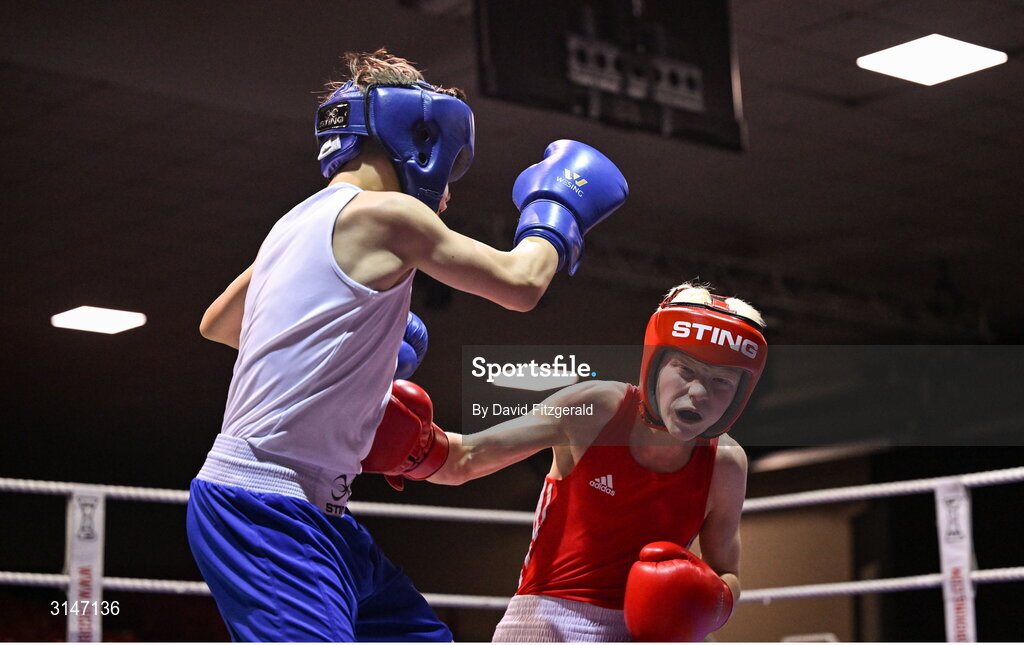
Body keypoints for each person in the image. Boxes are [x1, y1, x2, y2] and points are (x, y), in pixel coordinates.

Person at [185, 48, 628, 642]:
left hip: (315, 510)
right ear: (421, 139)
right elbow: (522, 284)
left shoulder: (291, 223)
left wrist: (354, 366)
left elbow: (220, 324)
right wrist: (558, 208)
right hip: (264, 505)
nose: (446, 191)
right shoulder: (388, 215)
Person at [381, 283, 766, 641]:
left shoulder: (725, 464)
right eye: (686, 370)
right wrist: (410, 444)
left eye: (721, 382)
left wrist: (710, 602)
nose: (698, 392)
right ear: (657, 363)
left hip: (647, 634)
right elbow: (466, 457)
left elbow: (725, 572)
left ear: (739, 394)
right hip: (546, 620)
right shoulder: (595, 409)